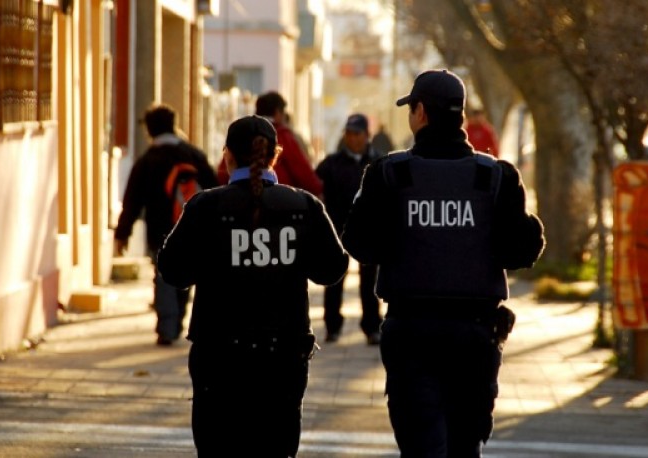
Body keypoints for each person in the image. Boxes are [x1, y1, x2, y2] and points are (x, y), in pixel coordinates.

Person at [342, 69, 545, 456]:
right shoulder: (495, 177)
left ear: (420, 113)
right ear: (461, 116)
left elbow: (358, 243)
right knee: (464, 447)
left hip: (411, 331)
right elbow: (523, 251)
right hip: (475, 334)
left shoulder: (388, 173)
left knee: (421, 445)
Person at [158, 115, 349, 457]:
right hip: (283, 357)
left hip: (219, 357)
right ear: (275, 155)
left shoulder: (206, 207)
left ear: (227, 156)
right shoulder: (304, 206)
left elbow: (173, 271)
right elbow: (332, 269)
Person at [115, 103, 218, 346]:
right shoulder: (194, 155)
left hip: (160, 230)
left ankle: (167, 327)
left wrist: (122, 233)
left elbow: (132, 201)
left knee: (164, 276)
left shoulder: (147, 161)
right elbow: (215, 189)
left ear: (150, 130)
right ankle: (178, 321)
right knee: (187, 275)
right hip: (195, 230)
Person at [315, 113, 383, 344]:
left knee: (369, 282)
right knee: (335, 278)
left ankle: (372, 327)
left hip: (369, 231)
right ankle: (332, 326)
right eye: (349, 133)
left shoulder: (378, 163)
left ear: (367, 135)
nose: (352, 138)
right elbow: (316, 189)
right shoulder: (331, 164)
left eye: (357, 133)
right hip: (337, 231)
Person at [217, 92, 323, 197]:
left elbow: (221, 176)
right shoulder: (283, 137)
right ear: (278, 113)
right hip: (282, 204)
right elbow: (304, 175)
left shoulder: (240, 134)